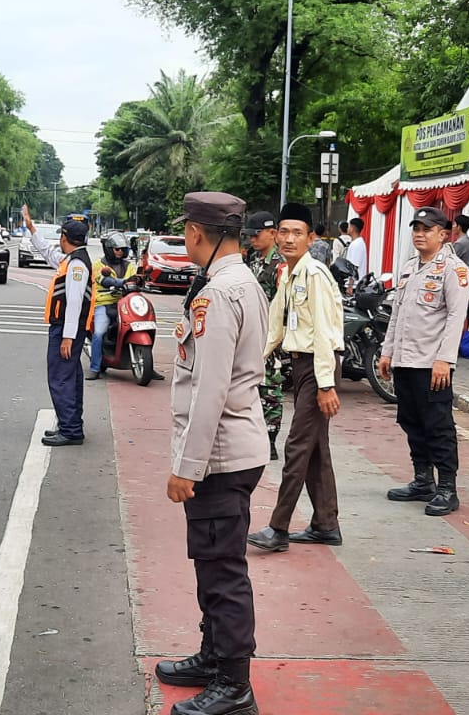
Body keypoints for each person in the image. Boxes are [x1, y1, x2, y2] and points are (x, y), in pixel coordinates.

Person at [157, 192, 268, 715]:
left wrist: (187, 466)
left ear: (197, 232)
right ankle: (214, 655)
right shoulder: (241, 282)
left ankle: (234, 685)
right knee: (211, 562)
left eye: (185, 229)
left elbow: (210, 388)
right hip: (231, 448)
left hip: (219, 454)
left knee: (222, 571)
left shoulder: (220, 293)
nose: (185, 236)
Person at [248, 203, 345, 552]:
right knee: (316, 451)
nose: (289, 239)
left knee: (297, 446)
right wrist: (251, 364)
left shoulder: (314, 274)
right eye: (284, 232)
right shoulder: (289, 274)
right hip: (303, 365)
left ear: (311, 238)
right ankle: (326, 524)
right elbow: (276, 326)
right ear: (277, 236)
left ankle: (278, 528)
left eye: (297, 233)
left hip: (319, 366)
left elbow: (325, 331)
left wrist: (326, 385)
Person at [381, 207, 469, 516]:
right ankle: (423, 480)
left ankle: (447, 487)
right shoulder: (409, 268)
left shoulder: (454, 269)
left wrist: (445, 360)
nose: (420, 234)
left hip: (432, 365)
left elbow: (456, 317)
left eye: (427, 229)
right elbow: (397, 313)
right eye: (416, 228)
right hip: (405, 360)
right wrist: (387, 351)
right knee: (411, 421)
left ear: (443, 234)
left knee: (438, 425)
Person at [24, 204, 96, 447]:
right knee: (69, 376)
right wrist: (32, 228)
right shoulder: (72, 260)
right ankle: (71, 425)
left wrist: (68, 337)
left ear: (65, 238)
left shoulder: (77, 265)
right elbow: (48, 253)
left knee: (61, 378)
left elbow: (74, 302)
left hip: (67, 329)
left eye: (60, 236)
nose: (58, 241)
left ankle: (70, 430)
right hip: (68, 329)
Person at [244, 211, 287, 460]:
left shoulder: (280, 264)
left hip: (271, 336)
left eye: (256, 235)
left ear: (272, 233)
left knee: (270, 386)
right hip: (252, 332)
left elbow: (283, 303)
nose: (252, 239)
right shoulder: (253, 260)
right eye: (250, 235)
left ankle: (270, 438)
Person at [87, 233, 140, 380]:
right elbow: (103, 279)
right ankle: (95, 367)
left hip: (125, 303)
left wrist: (140, 280)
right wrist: (121, 282)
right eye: (117, 249)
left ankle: (147, 365)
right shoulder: (99, 265)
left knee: (140, 325)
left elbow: (134, 279)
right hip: (104, 303)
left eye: (123, 249)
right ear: (109, 249)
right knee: (99, 333)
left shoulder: (130, 266)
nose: (120, 252)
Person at [344, 218, 368, 283]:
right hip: (356, 283)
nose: (347, 228)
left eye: (349, 226)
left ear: (352, 228)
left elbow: (354, 267)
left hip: (355, 284)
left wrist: (350, 285)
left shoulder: (357, 244)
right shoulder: (357, 242)